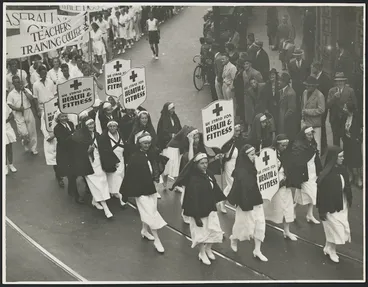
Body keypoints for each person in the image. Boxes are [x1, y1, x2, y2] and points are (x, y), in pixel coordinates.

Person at [172, 152, 225, 265]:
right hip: (199, 211)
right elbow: (191, 199)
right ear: (196, 164)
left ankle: (208, 249)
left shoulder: (209, 174)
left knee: (214, 229)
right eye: (202, 163)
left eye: (206, 163)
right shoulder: (193, 179)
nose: (205, 165)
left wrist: (221, 198)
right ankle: (201, 252)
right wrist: (196, 217)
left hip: (210, 208)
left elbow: (214, 188)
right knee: (201, 233)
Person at [120, 132, 167, 253]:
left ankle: (144, 230)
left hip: (151, 188)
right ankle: (157, 240)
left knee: (149, 211)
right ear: (140, 144)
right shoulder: (135, 157)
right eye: (145, 143)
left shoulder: (151, 154)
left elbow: (156, 167)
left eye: (148, 143)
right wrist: (125, 192)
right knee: (151, 213)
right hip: (140, 190)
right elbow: (129, 175)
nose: (147, 145)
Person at [227, 144, 268, 262]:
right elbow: (236, 188)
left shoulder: (253, 167)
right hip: (245, 203)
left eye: (254, 154)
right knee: (243, 226)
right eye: (251, 155)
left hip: (256, 200)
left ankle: (257, 250)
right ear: (245, 156)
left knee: (260, 224)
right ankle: (234, 238)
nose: (254, 157)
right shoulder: (240, 171)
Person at [72, 117, 113, 218]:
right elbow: (78, 154)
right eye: (89, 125)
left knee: (102, 181)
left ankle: (94, 201)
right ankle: (106, 208)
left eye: (92, 124)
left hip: (98, 162)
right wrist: (88, 151)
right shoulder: (81, 138)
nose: (91, 126)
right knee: (96, 185)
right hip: (88, 164)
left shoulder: (97, 135)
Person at [316, 147, 352, 263]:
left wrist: (349, 197)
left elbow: (346, 185)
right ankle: (332, 250)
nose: (343, 158)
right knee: (335, 228)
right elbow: (321, 195)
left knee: (336, 226)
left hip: (342, 203)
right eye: (340, 156)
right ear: (334, 158)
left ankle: (328, 247)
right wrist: (322, 210)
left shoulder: (342, 169)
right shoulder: (325, 175)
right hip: (331, 206)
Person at [264, 134, 297, 241]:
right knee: (268, 206)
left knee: (288, 207)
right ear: (277, 145)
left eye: (286, 145)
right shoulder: (270, 153)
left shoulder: (287, 153)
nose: (285, 148)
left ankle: (287, 231)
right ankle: (260, 226)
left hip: (284, 183)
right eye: (283, 146)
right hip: (272, 184)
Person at [291, 126, 322, 224]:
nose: (311, 136)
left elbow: (316, 157)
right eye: (309, 134)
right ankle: (293, 209)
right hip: (304, 173)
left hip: (313, 171)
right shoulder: (298, 145)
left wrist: (319, 170)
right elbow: (297, 161)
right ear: (304, 135)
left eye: (312, 134)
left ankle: (309, 214)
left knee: (303, 195)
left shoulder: (312, 143)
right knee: (312, 194)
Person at [54, 111, 82, 202]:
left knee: (73, 173)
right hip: (65, 153)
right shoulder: (57, 128)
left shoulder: (70, 123)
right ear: (58, 118)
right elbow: (62, 141)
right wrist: (72, 135)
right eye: (62, 116)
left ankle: (71, 190)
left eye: (65, 116)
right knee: (71, 173)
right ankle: (76, 196)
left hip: (73, 151)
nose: (64, 118)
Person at [98, 120, 128, 206]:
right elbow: (104, 150)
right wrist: (113, 161)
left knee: (120, 176)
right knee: (116, 178)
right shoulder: (104, 136)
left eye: (114, 126)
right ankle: (121, 198)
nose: (112, 128)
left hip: (121, 158)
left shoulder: (120, 134)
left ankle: (114, 192)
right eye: (110, 126)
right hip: (113, 160)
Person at [7, 75, 38, 155]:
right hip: (18, 113)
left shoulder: (26, 90)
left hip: (28, 110)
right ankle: (25, 142)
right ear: (13, 83)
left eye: (19, 82)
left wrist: (24, 90)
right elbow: (9, 105)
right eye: (16, 82)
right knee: (24, 132)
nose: (18, 83)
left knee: (32, 131)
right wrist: (17, 109)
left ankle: (33, 148)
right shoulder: (11, 94)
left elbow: (31, 98)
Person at [327, 72, 357, 147]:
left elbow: (355, 105)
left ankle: (347, 157)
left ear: (344, 81)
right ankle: (336, 157)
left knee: (346, 140)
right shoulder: (331, 91)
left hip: (345, 119)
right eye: (337, 81)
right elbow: (327, 105)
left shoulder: (350, 91)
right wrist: (334, 97)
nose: (339, 83)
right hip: (334, 119)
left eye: (341, 81)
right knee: (335, 140)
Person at [157, 102, 182, 190]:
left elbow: (179, 127)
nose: (173, 110)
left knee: (176, 164)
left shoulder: (175, 117)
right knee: (167, 165)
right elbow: (161, 132)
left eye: (174, 108)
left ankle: (176, 184)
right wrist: (170, 135)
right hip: (167, 145)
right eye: (171, 108)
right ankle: (165, 182)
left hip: (175, 145)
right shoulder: (163, 119)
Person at [220, 123, 244, 213]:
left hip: (237, 164)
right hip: (229, 164)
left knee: (232, 185)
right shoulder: (228, 141)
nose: (238, 132)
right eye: (236, 131)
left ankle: (222, 201)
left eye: (239, 131)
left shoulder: (239, 140)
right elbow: (223, 151)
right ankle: (238, 205)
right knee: (233, 185)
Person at [311, 61, 332, 154]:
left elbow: (327, 94)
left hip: (322, 106)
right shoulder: (315, 77)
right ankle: (320, 144)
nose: (312, 69)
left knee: (321, 124)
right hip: (317, 105)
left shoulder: (325, 79)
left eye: (313, 67)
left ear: (318, 68)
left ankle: (323, 145)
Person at [301, 76, 325, 153]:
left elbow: (321, 110)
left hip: (315, 124)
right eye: (306, 85)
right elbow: (303, 105)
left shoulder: (320, 95)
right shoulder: (304, 92)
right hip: (306, 123)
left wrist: (307, 111)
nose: (307, 87)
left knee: (316, 145)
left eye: (308, 85)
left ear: (313, 86)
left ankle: (317, 163)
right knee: (306, 145)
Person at [341, 103, 363, 188]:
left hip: (355, 143)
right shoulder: (344, 117)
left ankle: (358, 178)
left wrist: (359, 139)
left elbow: (363, 128)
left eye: (345, 107)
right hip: (347, 142)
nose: (343, 108)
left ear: (349, 109)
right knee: (347, 159)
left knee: (356, 160)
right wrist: (343, 137)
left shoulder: (358, 118)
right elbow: (341, 128)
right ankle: (350, 176)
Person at [288, 48, 310, 131]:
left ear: (301, 55)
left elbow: (308, 74)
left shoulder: (306, 63)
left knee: (304, 100)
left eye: (299, 55)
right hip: (295, 86)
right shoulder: (291, 64)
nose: (297, 57)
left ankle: (304, 114)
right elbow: (291, 74)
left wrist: (305, 81)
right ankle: (297, 116)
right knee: (296, 101)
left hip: (304, 86)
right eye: (296, 56)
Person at [40, 110, 63, 187]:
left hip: (61, 140)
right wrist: (56, 133)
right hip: (52, 141)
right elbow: (48, 138)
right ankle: (59, 177)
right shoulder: (45, 114)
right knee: (55, 160)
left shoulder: (59, 110)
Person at [278, 72, 298, 141]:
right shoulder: (281, 91)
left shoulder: (291, 93)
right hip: (282, 120)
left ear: (285, 82)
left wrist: (284, 118)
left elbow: (291, 109)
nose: (278, 82)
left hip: (287, 122)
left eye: (280, 80)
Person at [5, 105, 17, 175]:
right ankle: (5, 166)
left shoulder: (5, 105)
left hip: (7, 127)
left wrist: (6, 120)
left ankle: (11, 165)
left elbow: (11, 114)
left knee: (9, 147)